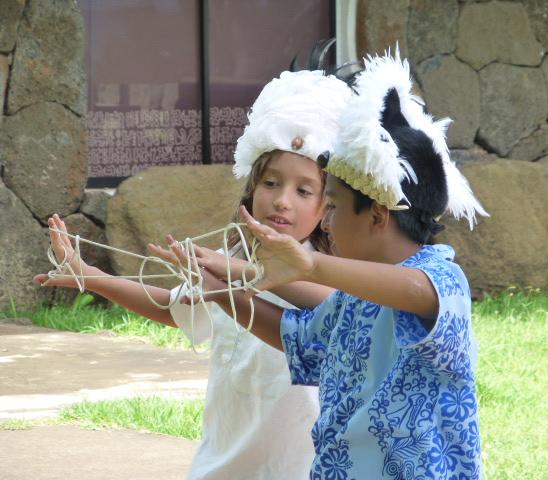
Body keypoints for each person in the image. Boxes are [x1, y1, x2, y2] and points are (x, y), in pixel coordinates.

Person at [35, 66, 352, 479]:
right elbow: (174, 309)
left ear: (327, 207)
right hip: (223, 464)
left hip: (302, 467)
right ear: (251, 188)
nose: (282, 201)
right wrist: (88, 273)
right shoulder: (224, 256)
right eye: (271, 183)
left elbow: (341, 307)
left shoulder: (334, 276)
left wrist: (231, 280)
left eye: (303, 190)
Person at [189, 50, 488, 478]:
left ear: (377, 215)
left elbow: (415, 291)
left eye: (333, 206)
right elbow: (296, 338)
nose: (327, 220)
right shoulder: (353, 301)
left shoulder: (442, 279)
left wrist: (310, 267)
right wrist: (226, 291)